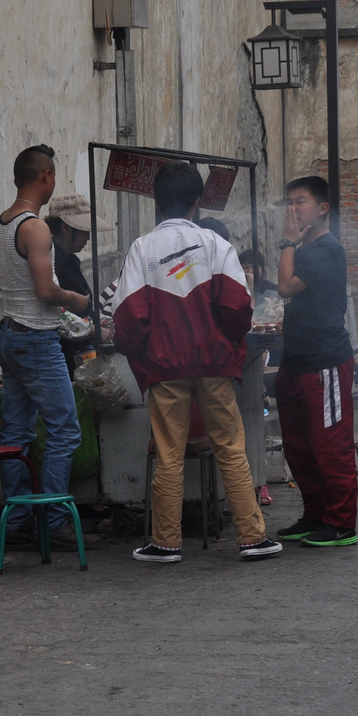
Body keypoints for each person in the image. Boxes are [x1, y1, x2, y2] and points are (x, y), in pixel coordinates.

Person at [111, 162, 281, 563]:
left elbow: (129, 317)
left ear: (156, 200)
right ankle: (252, 537)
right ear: (198, 200)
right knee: (231, 447)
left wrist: (143, 354)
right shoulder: (215, 245)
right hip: (214, 365)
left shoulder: (142, 248)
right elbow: (239, 307)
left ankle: (166, 542)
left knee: (169, 453)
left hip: (167, 368)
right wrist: (226, 340)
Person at [0, 145, 91, 537]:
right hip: (34, 336)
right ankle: (54, 520)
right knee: (65, 430)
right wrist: (77, 300)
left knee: (17, 431)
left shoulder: (1, 223)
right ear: (45, 176)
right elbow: (46, 292)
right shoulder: (35, 227)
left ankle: (15, 524)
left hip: (9, 332)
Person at [271, 176, 358, 548]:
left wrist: (288, 241)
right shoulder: (304, 248)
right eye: (290, 203)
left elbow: (287, 286)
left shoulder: (326, 248)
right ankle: (314, 515)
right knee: (299, 447)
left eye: (301, 202)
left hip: (325, 362)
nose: (293, 209)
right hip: (296, 361)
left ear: (323, 209)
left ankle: (340, 524)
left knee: (329, 445)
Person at [44, 193, 109, 318]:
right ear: (66, 229)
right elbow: (58, 312)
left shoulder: (70, 260)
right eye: (84, 231)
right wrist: (91, 330)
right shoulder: (52, 263)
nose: (88, 237)